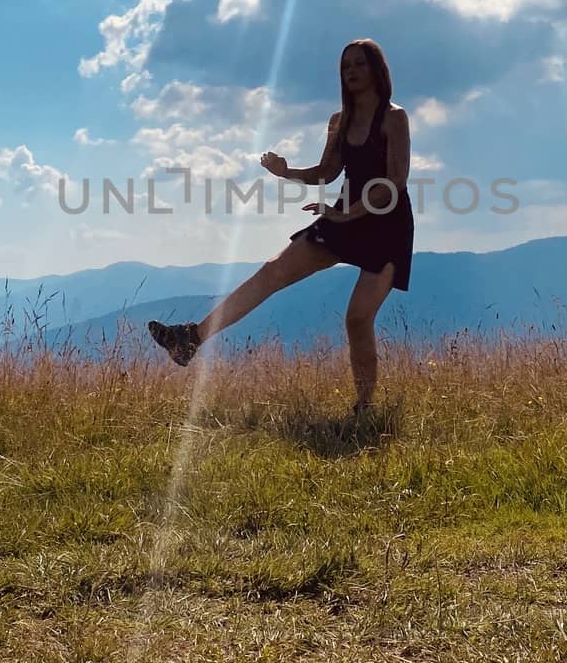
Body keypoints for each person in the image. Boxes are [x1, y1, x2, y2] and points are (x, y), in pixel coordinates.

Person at [148, 38, 414, 412]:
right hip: (343, 215)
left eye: (359, 64)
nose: (351, 71)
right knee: (272, 271)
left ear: (377, 70)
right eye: (345, 66)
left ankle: (365, 408)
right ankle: (190, 338)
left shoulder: (394, 117)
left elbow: (395, 182)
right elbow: (326, 172)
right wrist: (286, 172)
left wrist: (347, 212)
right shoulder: (339, 121)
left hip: (386, 223)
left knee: (357, 318)